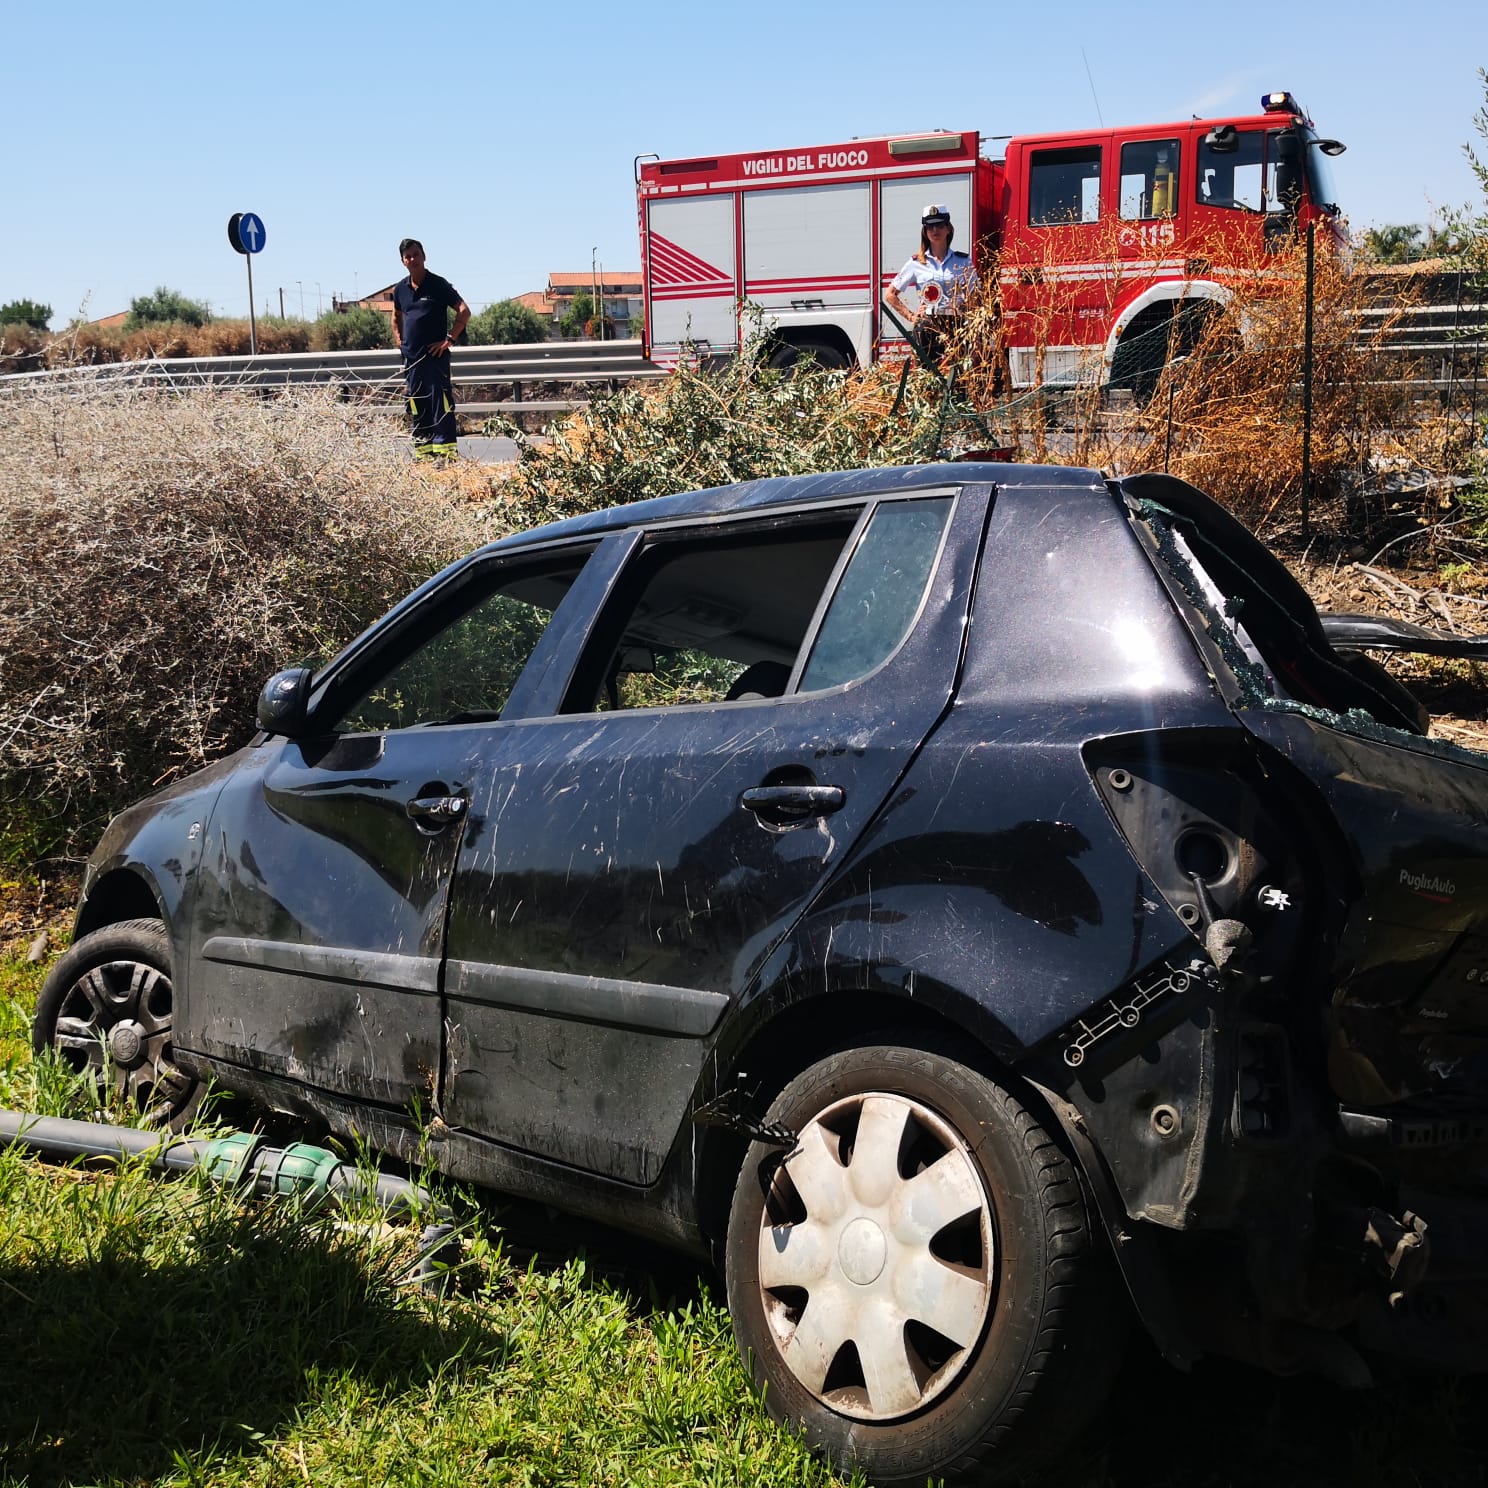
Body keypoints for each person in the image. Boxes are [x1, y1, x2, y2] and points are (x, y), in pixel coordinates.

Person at [392, 238, 470, 461]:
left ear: (424, 256)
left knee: (441, 406)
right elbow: (396, 317)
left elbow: (464, 311)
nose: (413, 259)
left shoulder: (438, 284)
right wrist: (400, 340)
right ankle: (424, 456)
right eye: (408, 256)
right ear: (403, 261)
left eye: (416, 254)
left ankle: (446, 457)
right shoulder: (400, 289)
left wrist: (449, 339)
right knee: (417, 406)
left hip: (435, 359)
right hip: (412, 361)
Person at [884, 204, 978, 366]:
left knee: (958, 374)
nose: (935, 230)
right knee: (927, 375)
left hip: (956, 325)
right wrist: (912, 317)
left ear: (948, 228)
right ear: (925, 231)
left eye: (940, 225)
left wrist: (972, 323)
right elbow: (890, 294)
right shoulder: (916, 263)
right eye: (930, 226)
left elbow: (975, 296)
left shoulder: (963, 261)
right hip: (927, 326)